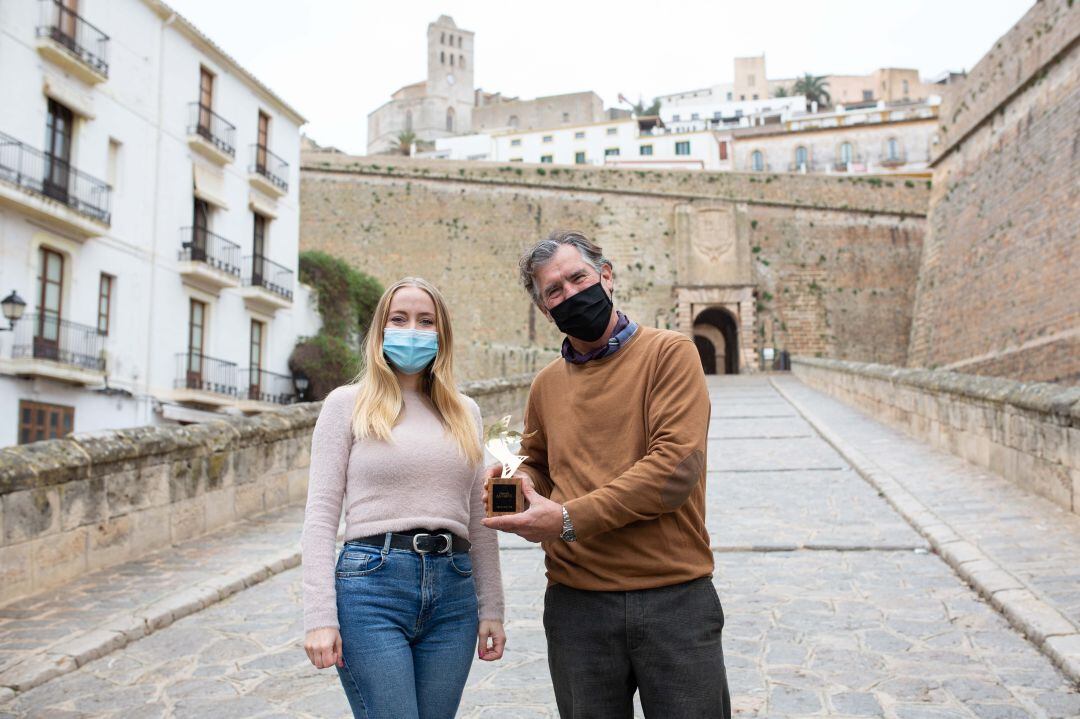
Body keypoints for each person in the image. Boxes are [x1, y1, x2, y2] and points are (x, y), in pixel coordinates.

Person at [483, 230, 730, 718]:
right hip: (578, 609)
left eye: (579, 278)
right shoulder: (546, 385)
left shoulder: (670, 354)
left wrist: (567, 519)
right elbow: (534, 459)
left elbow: (674, 470)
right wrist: (510, 481)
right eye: (555, 291)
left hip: (674, 600)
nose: (571, 294)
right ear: (545, 309)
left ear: (607, 276)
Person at [302, 277, 505, 719]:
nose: (412, 329)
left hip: (454, 591)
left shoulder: (465, 412)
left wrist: (492, 607)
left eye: (425, 321)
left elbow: (478, 517)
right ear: (380, 330)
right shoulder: (346, 404)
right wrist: (319, 617)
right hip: (372, 587)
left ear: (442, 334)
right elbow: (320, 517)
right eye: (399, 319)